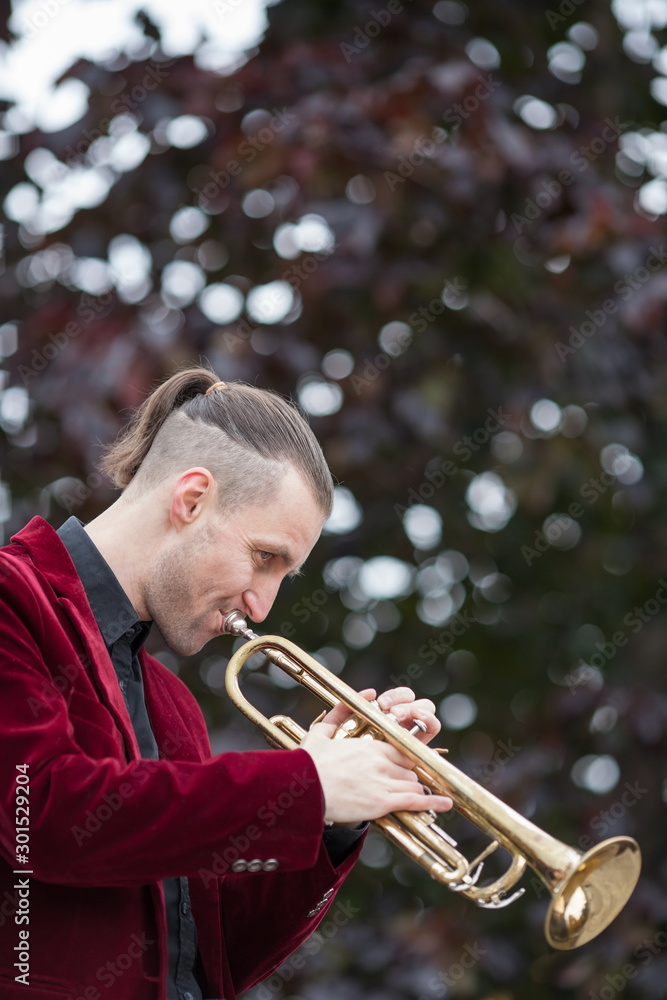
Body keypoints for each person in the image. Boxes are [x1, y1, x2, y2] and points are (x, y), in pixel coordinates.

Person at [0, 367, 452, 1000]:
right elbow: (41, 817)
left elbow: (213, 958)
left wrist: (333, 818)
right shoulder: (11, 599)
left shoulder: (174, 707)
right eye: (263, 557)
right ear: (191, 499)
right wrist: (307, 787)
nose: (263, 605)